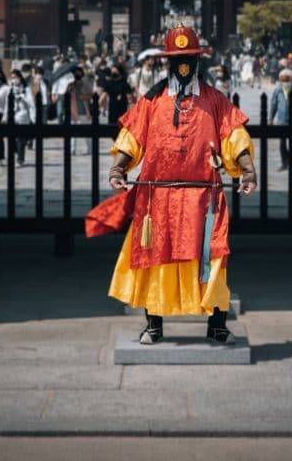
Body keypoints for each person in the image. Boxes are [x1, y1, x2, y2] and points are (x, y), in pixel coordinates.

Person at [88, 25, 257, 345]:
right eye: (178, 59)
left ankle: (217, 324)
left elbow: (234, 136)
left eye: (189, 58)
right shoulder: (152, 100)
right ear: (168, 62)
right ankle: (154, 324)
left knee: (211, 257)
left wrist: (247, 170)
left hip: (203, 198)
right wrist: (118, 167)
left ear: (198, 61)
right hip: (158, 197)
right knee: (156, 258)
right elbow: (132, 137)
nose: (183, 65)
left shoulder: (215, 100)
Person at [269, 68, 292, 171]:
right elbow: (274, 104)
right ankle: (284, 163)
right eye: (282, 80)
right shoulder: (278, 90)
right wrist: (270, 118)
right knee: (282, 143)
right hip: (282, 120)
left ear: (290, 79)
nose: (284, 82)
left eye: (286, 79)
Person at [4, 69, 35, 166]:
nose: (14, 79)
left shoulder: (26, 89)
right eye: (12, 78)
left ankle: (20, 159)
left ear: (20, 77)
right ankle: (18, 153)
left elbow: (31, 104)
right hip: (12, 116)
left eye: (16, 77)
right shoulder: (10, 89)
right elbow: (6, 104)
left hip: (23, 115)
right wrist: (5, 116)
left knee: (21, 139)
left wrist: (23, 96)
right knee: (12, 138)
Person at [69, 65, 93, 155]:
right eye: (75, 73)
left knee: (87, 132)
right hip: (73, 111)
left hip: (84, 111)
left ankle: (90, 149)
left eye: (79, 73)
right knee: (72, 133)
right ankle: (72, 149)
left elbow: (91, 95)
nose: (77, 75)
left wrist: (84, 96)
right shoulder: (70, 84)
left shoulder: (85, 83)